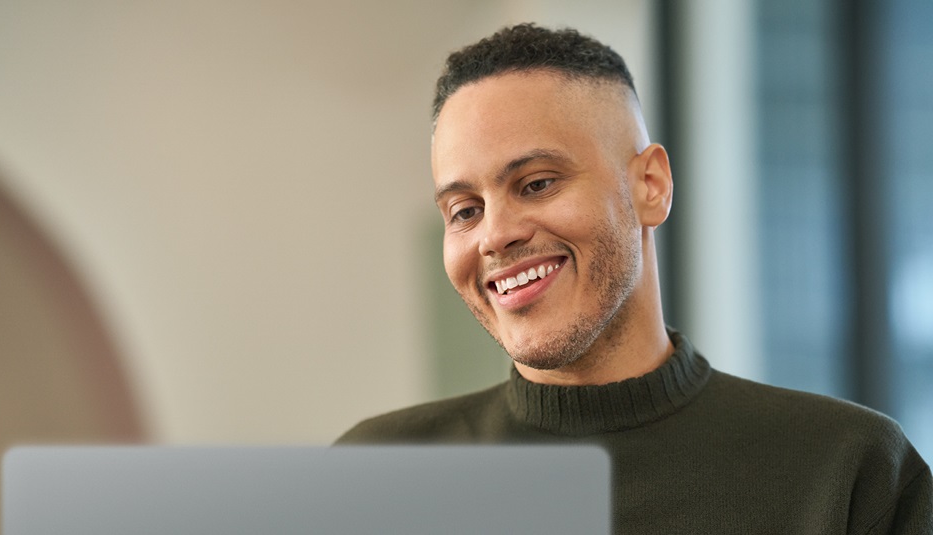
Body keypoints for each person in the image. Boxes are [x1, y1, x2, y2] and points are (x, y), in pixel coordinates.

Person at [336, 23, 932, 533]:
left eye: (537, 183)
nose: (495, 235)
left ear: (650, 185)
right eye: (464, 210)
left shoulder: (849, 472)